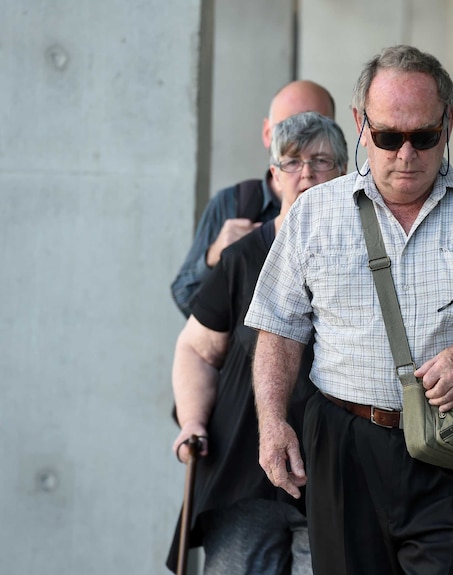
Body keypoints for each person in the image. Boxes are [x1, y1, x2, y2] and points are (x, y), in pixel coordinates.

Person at [244, 45, 453, 575]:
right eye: (388, 137)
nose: (406, 154)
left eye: (424, 136)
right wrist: (273, 422)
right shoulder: (315, 213)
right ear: (359, 124)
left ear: (449, 122)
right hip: (344, 446)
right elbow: (279, 329)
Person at [166, 112, 348, 574]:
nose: (306, 173)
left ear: (344, 173)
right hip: (243, 471)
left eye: (321, 161)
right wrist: (191, 421)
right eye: (292, 161)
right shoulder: (242, 258)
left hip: (334, 474)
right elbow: (197, 350)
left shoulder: (367, 256)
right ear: (274, 176)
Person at [170, 80, 336, 317]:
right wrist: (217, 256)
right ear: (268, 134)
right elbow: (186, 298)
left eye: (315, 126)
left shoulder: (350, 210)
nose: (302, 140)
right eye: (288, 128)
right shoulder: (233, 204)